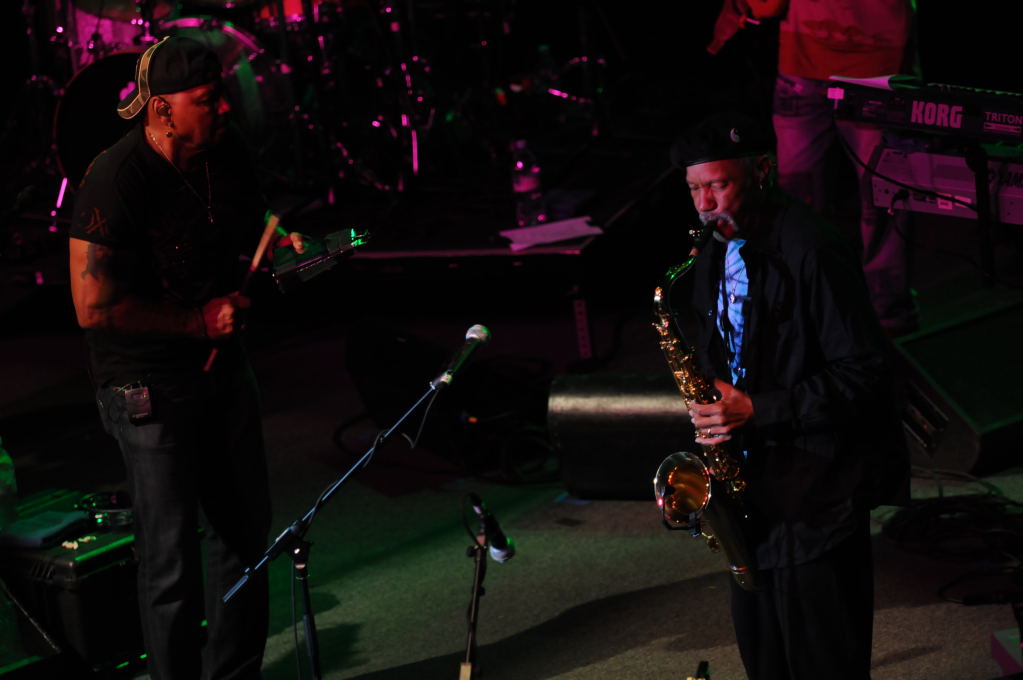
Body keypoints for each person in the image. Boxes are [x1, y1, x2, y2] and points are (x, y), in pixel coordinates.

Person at [68, 36, 303, 680]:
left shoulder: (222, 151)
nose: (224, 108)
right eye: (207, 99)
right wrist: (196, 322)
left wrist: (286, 244)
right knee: (170, 559)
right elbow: (92, 307)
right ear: (162, 110)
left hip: (220, 367)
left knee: (243, 538)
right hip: (145, 383)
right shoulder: (116, 177)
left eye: (221, 94)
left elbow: (252, 220)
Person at [667, 112, 908, 679]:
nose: (705, 205)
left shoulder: (812, 248)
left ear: (761, 172)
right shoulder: (712, 248)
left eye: (717, 185)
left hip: (815, 493)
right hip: (751, 490)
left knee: (824, 662)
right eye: (694, 189)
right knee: (766, 661)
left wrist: (757, 409)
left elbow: (867, 373)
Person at [708, 0, 918, 336]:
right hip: (877, 60)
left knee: (799, 200)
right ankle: (887, 317)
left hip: (814, 62)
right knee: (884, 200)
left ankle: (808, 313)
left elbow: (765, 7)